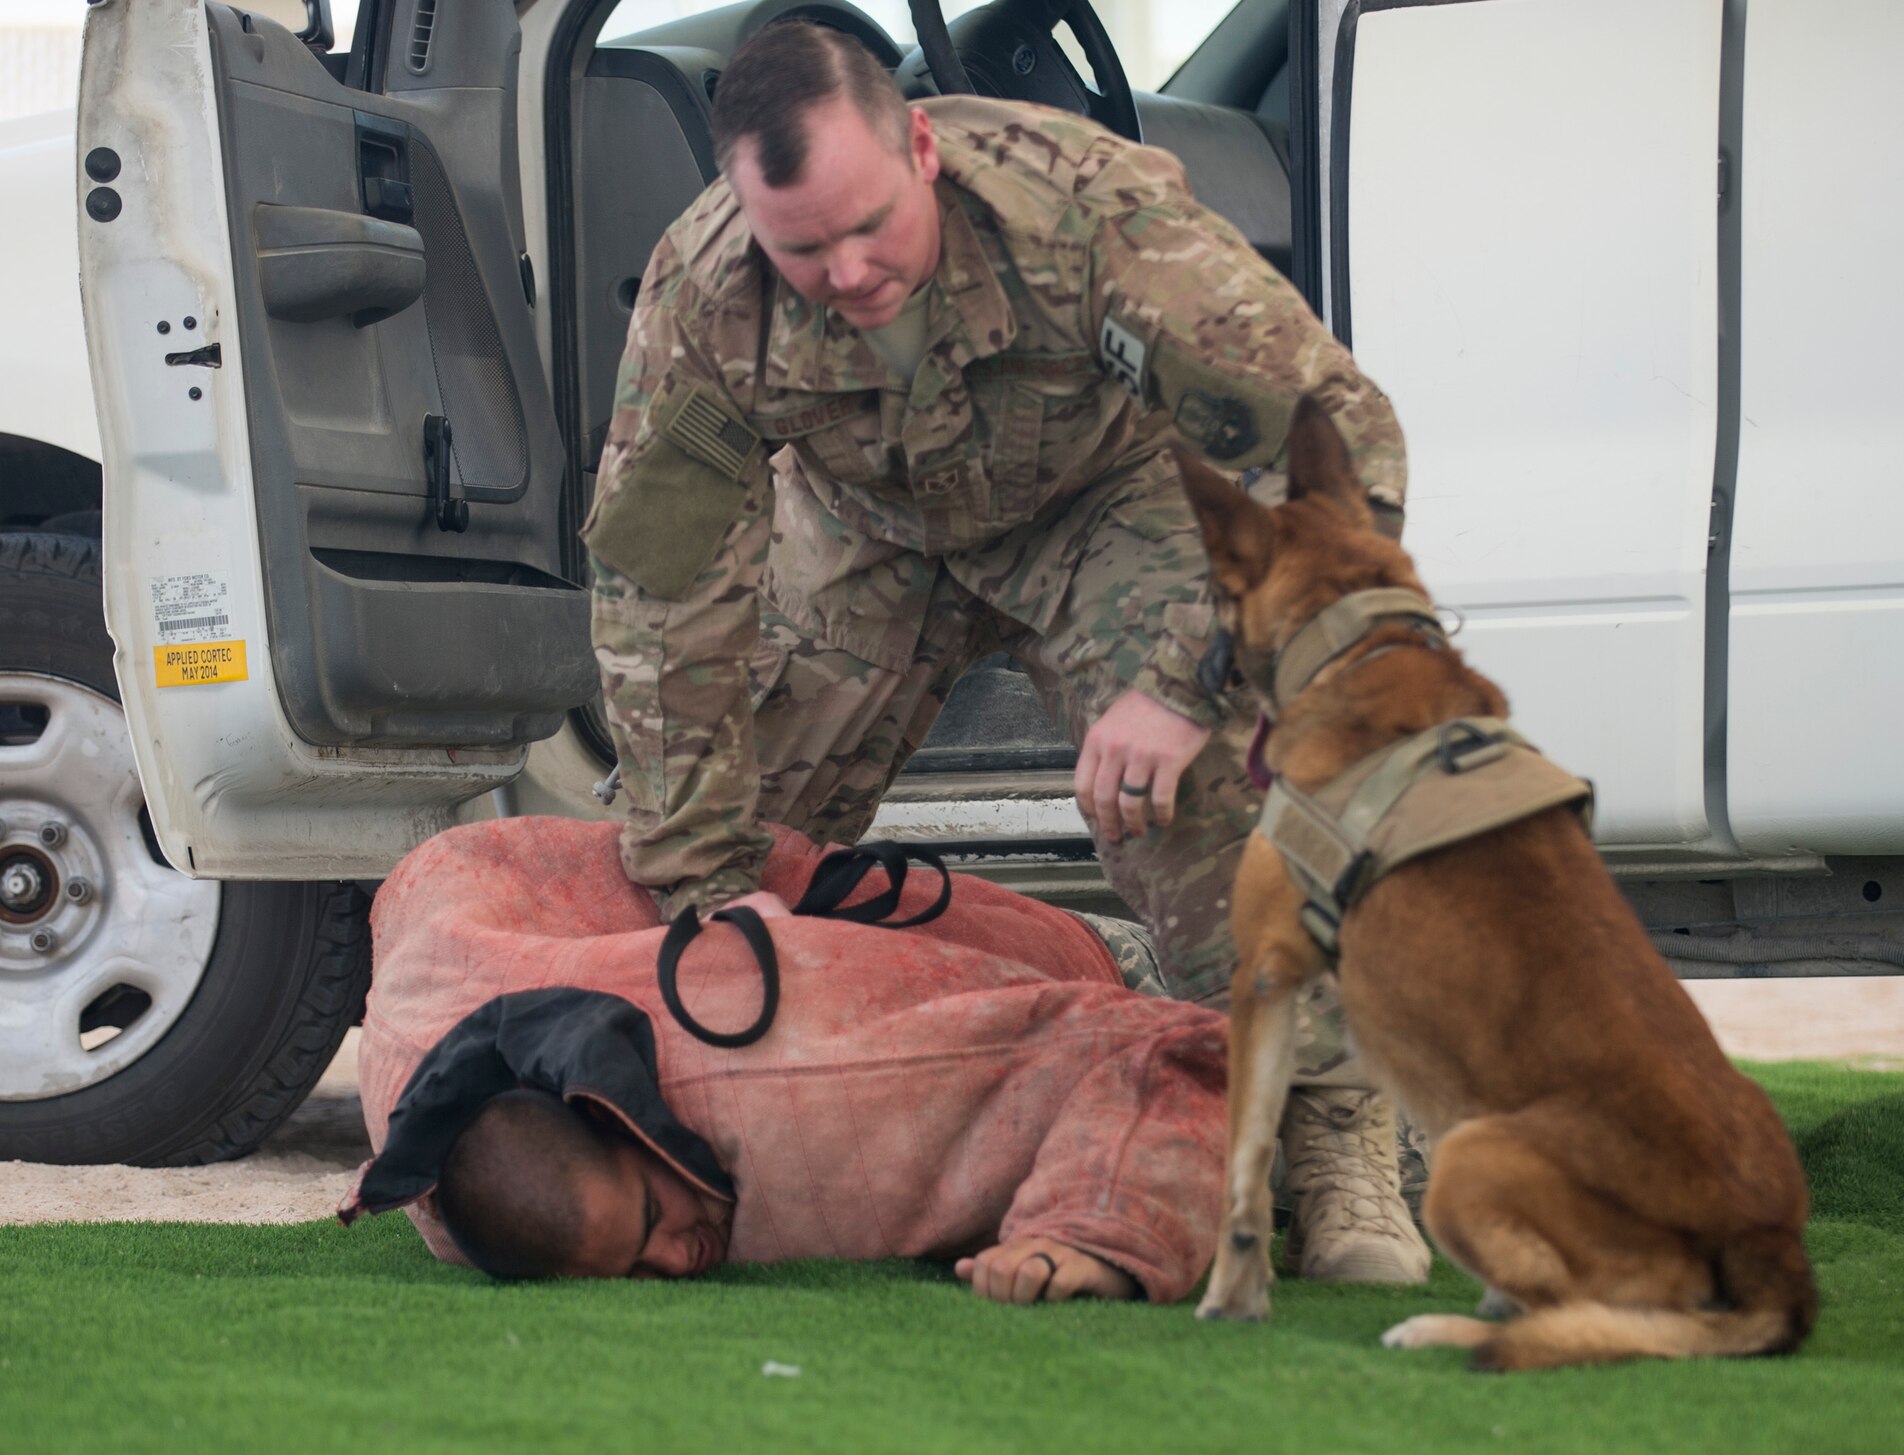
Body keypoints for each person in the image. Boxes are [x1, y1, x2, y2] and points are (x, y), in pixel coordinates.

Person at [581, 21, 1424, 1280]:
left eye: (870, 224)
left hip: (1105, 498)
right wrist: (700, 871)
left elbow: (1336, 445)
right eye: (801, 247)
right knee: (708, 837)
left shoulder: (1085, 214)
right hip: (874, 527)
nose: (849, 270)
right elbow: (662, 587)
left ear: (918, 145)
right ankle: (686, 1131)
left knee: (1196, 794)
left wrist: (1186, 682)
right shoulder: (707, 295)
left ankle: (1336, 1148)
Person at [340, 817, 1228, 1305]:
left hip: (1100, 959)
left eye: (653, 1217)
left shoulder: (792, 1072)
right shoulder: (445, 1181)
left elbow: (1156, 1046)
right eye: (637, 1271)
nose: (680, 1260)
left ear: (615, 1110)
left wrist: (1095, 1232)